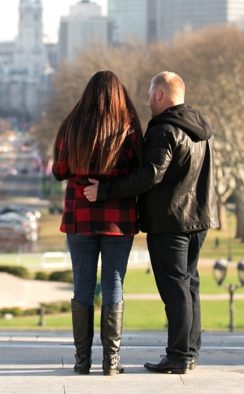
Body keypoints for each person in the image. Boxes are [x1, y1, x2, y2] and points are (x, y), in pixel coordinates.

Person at [84, 71, 217, 375]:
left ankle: (179, 355)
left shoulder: (163, 130)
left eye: (148, 95)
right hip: (199, 218)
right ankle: (189, 351)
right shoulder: (201, 127)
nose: (145, 102)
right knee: (189, 286)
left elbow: (150, 174)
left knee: (175, 290)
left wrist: (105, 191)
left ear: (160, 95)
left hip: (170, 221)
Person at [52, 70, 143, 376]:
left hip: (80, 216)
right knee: (113, 285)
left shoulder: (72, 125)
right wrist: (113, 178)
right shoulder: (127, 128)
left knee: (83, 285)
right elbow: (138, 171)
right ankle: (112, 361)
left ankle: (81, 360)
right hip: (118, 218)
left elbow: (59, 170)